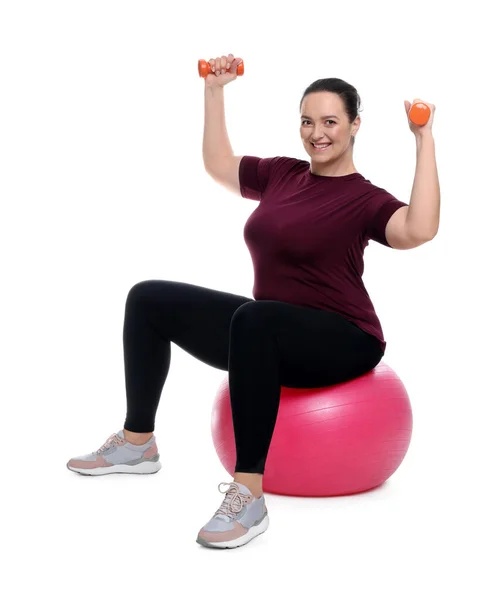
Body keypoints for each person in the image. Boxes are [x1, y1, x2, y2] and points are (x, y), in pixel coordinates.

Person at [67, 53, 439, 550]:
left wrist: (423, 138)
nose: (317, 133)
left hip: (344, 337)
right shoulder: (283, 175)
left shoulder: (363, 198)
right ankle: (138, 442)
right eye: (307, 121)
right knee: (149, 299)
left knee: (254, 319)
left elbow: (420, 228)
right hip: (266, 331)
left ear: (355, 126)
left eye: (330, 121)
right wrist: (215, 91)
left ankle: (249, 495)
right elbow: (219, 164)